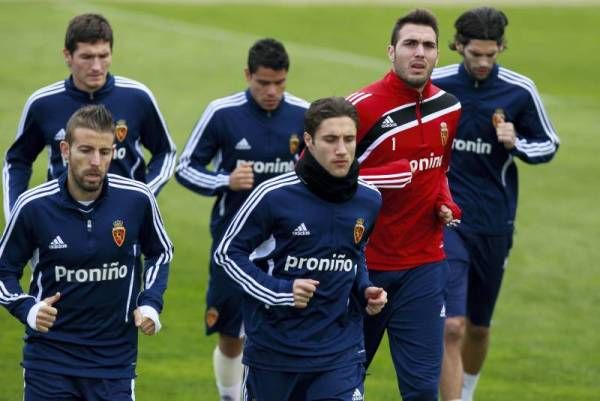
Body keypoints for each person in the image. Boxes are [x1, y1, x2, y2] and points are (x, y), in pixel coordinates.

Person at [213, 96, 387, 401]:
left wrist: (364, 289)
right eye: (331, 139)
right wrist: (280, 290)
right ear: (309, 140)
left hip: (339, 352)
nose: (342, 150)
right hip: (274, 353)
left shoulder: (369, 199)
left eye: (349, 139)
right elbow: (227, 253)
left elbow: (354, 253)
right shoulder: (273, 195)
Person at [0, 104, 173, 401]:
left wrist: (150, 303)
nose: (96, 161)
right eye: (86, 150)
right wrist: (27, 308)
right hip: (50, 361)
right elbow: (4, 271)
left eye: (105, 152)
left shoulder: (137, 199)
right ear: (65, 150)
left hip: (114, 363)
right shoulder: (33, 206)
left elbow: (161, 252)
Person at [431, 7, 560, 401]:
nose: (484, 63)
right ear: (458, 46)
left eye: (492, 54)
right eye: (475, 55)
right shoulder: (434, 85)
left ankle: (466, 392)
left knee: (479, 327)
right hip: (447, 219)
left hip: (494, 222)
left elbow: (549, 144)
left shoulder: (520, 91)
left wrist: (516, 143)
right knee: (452, 325)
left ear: (501, 47)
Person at [175, 38, 309, 401]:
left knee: (282, 329)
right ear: (247, 74)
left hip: (289, 243)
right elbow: (185, 167)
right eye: (263, 82)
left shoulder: (304, 114)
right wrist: (225, 180)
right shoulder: (222, 113)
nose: (272, 91)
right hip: (233, 243)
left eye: (279, 83)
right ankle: (230, 397)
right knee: (232, 332)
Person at [347, 9, 462, 401]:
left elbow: (439, 171)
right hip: (362, 267)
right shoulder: (358, 109)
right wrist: (377, 179)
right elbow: (312, 179)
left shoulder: (450, 108)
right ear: (391, 51)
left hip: (424, 268)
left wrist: (445, 204)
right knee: (343, 383)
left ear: (437, 55)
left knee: (421, 391)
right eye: (411, 44)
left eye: (428, 45)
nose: (420, 53)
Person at [3, 13, 176, 221]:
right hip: (60, 221)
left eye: (103, 56)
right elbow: (17, 161)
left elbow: (165, 152)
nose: (96, 67)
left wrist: (142, 195)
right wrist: (15, 213)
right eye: (87, 57)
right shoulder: (43, 103)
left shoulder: (137, 97)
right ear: (67, 55)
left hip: (122, 221)